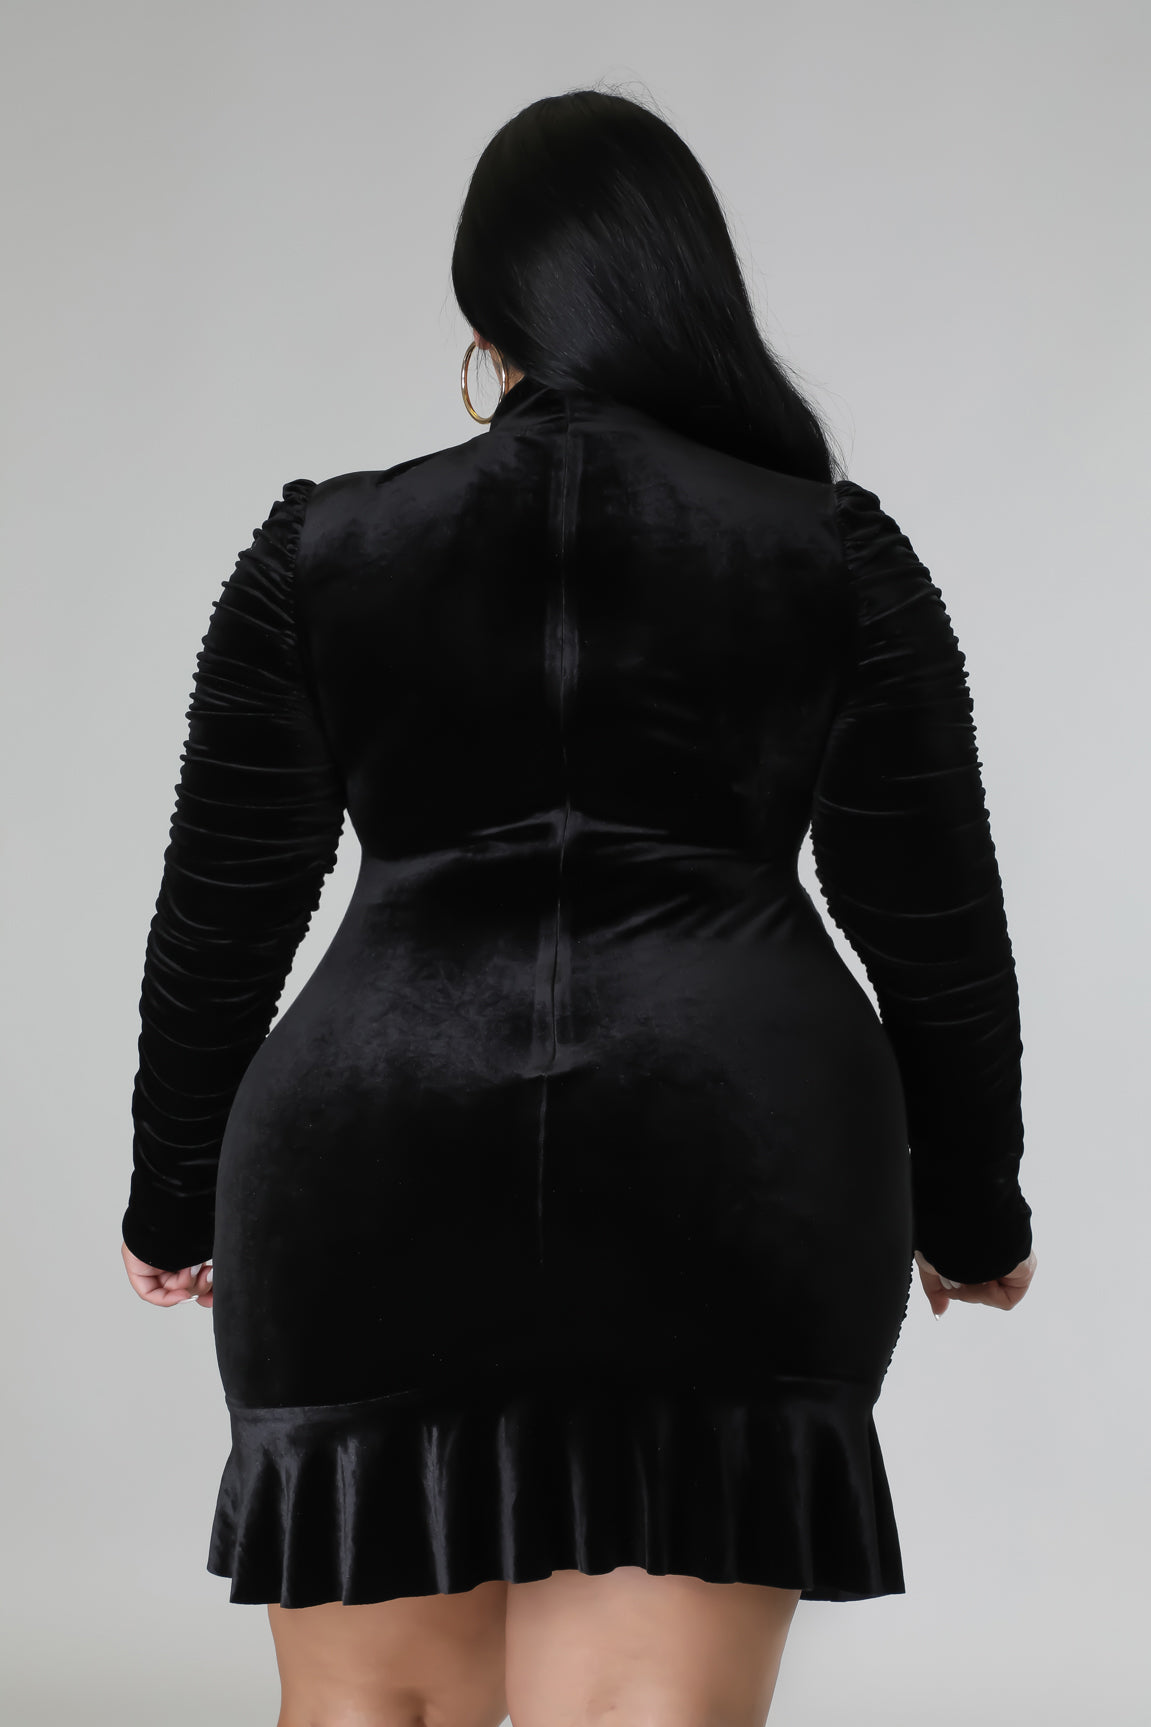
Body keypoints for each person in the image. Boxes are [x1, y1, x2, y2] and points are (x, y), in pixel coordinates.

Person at [120, 86, 1037, 1727]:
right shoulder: (831, 554)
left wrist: (172, 1195)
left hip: (368, 1161)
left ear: (488, 322)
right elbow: (938, 934)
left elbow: (221, 917)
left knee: (375, 1715)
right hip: (733, 1167)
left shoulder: (323, 550)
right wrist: (974, 1217)